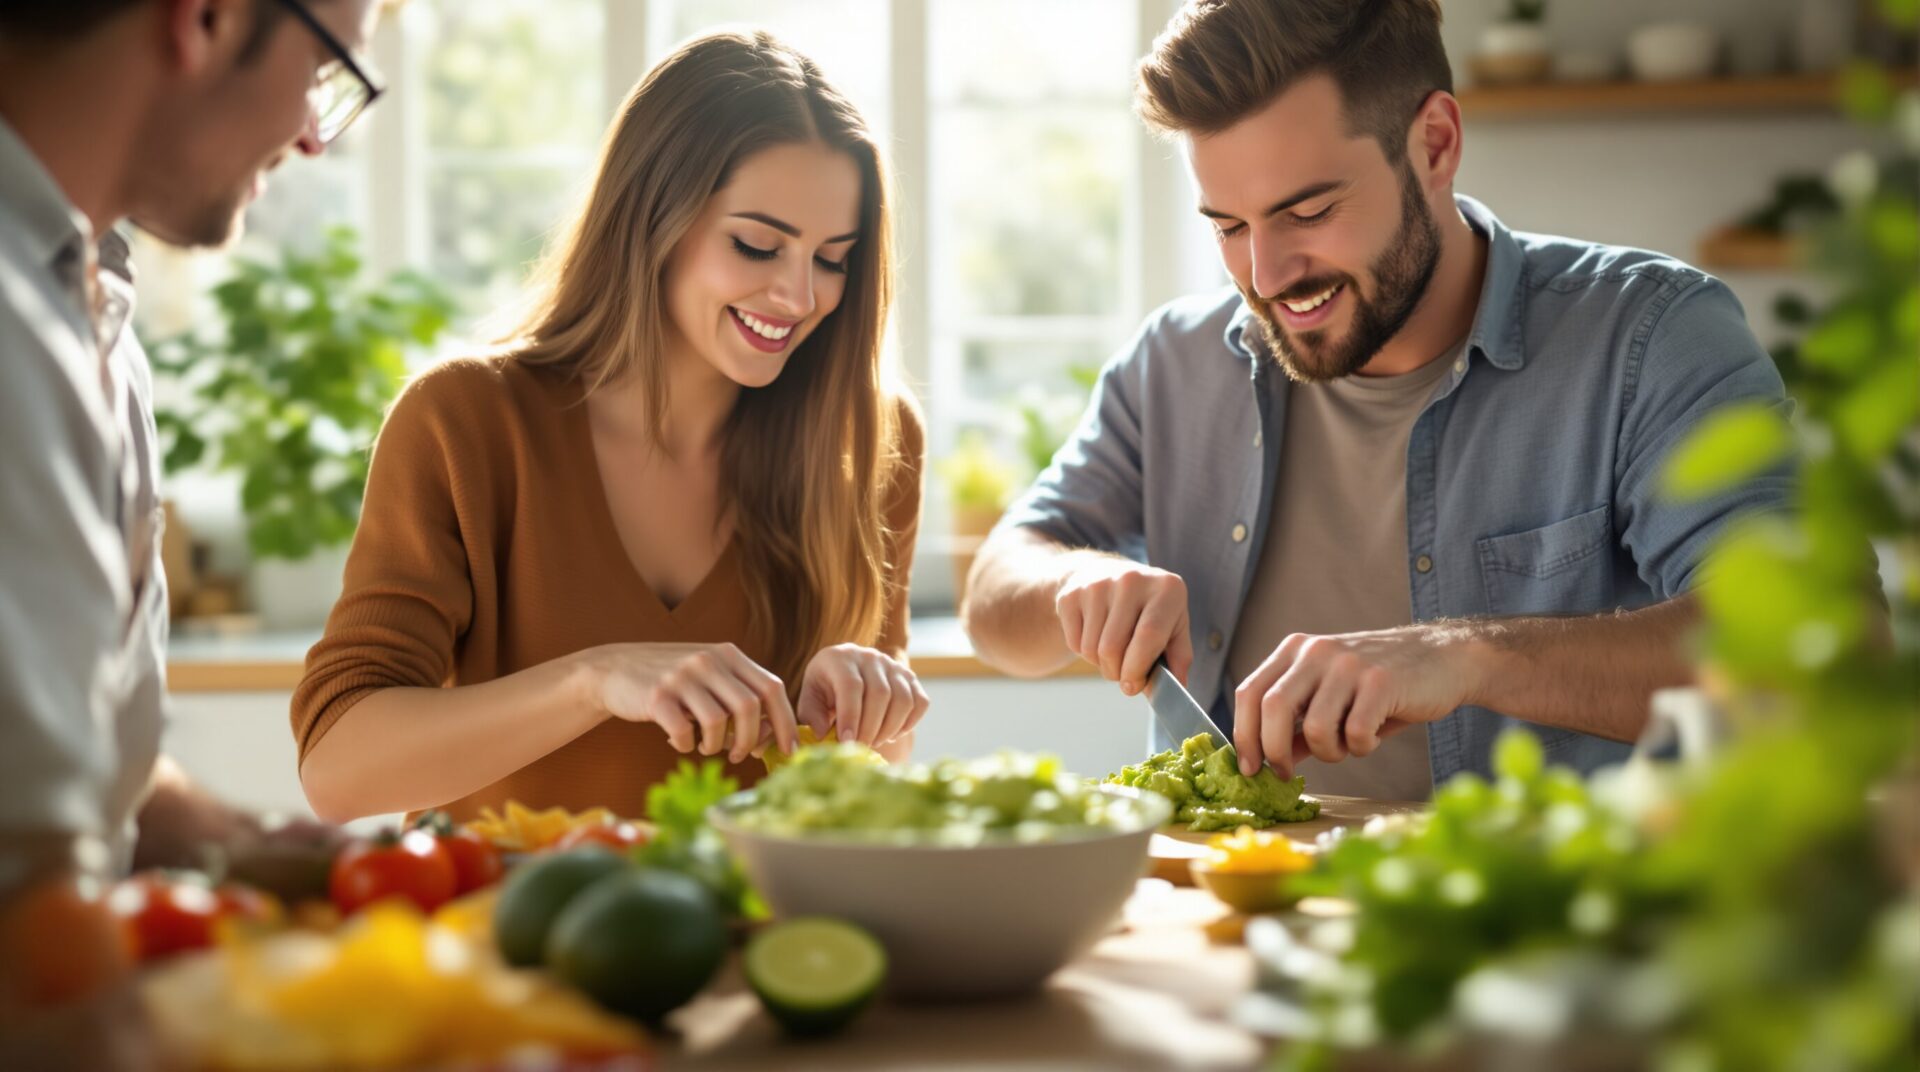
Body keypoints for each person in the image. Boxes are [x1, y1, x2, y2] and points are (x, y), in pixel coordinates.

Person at [962, 0, 1792, 799]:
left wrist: (1466, 656)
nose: (1266, 275)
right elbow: (996, 595)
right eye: (1228, 227)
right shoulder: (1174, 363)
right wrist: (1075, 582)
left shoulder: (1651, 337)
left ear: (1434, 144)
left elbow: (1813, 652)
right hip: (1233, 919)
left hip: (1546, 920)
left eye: (1309, 210)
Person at [292, 31, 930, 825]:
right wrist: (592, 682)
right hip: (500, 936)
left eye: (833, 258)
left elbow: (880, 768)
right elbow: (336, 771)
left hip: (757, 937)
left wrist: (863, 704)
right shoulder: (465, 423)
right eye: (756, 245)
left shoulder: (869, 439)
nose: (800, 296)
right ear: (651, 216)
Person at [0, 0, 383, 1052]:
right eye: (325, 66)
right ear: (204, 18)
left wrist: (258, 846)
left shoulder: (94, 319)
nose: (315, 132)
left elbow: (68, 769)